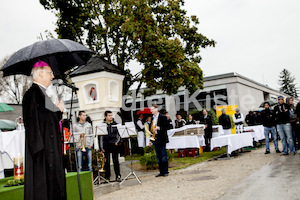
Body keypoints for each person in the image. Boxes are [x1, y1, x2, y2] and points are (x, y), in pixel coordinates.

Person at [23, 60, 66, 200]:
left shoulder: (43, 95)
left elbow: (49, 119)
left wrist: (59, 110)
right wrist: (40, 155)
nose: (52, 76)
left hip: (50, 151)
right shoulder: (31, 95)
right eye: (50, 73)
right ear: (40, 74)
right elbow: (32, 127)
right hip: (42, 155)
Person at [99, 111, 122, 181]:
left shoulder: (115, 124)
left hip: (114, 144)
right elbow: (100, 137)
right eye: (109, 115)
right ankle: (107, 177)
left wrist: (117, 142)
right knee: (107, 162)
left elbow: (119, 134)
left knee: (116, 161)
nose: (111, 117)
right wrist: (101, 148)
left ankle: (118, 176)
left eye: (111, 115)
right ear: (105, 116)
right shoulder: (102, 125)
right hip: (106, 145)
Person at [150, 104, 169, 177]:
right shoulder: (152, 118)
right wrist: (151, 140)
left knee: (163, 155)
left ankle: (165, 171)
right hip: (155, 139)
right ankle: (161, 171)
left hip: (162, 138)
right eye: (151, 109)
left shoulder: (163, 117)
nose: (151, 111)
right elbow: (151, 129)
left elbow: (167, 126)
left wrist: (159, 128)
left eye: (152, 109)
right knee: (158, 156)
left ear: (156, 109)